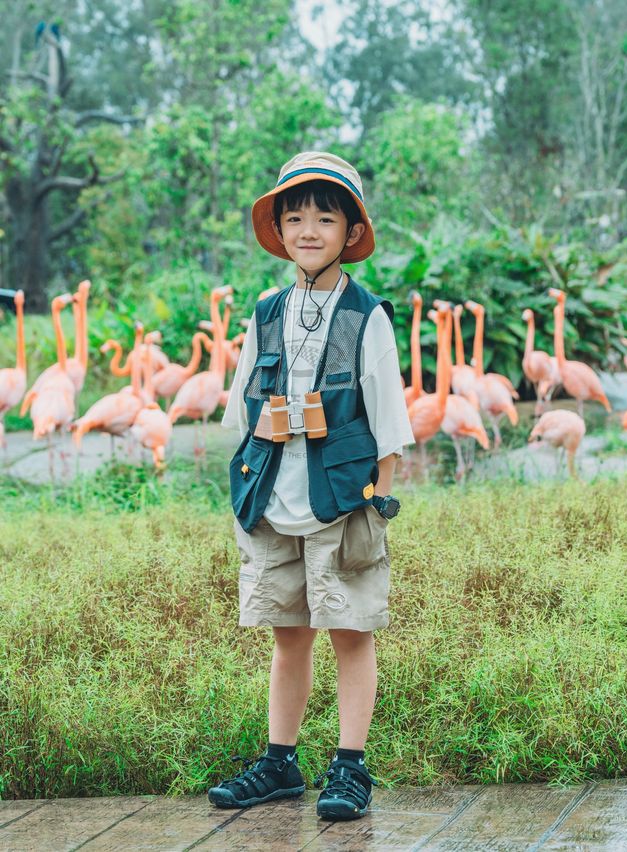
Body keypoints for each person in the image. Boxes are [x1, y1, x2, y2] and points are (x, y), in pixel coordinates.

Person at [208, 151, 414, 821]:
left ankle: (351, 767)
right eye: (294, 217)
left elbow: (390, 426)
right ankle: (279, 763)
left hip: (342, 500)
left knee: (351, 630)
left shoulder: (365, 315)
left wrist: (374, 503)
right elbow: (243, 404)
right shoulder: (266, 311)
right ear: (281, 231)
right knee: (287, 633)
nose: (308, 229)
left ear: (350, 232)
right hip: (273, 500)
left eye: (325, 218)